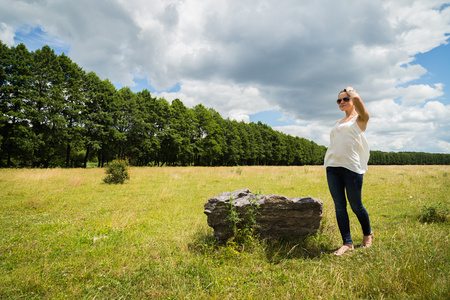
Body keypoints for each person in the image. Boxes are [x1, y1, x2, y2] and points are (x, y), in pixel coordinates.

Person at [324, 86, 374, 256]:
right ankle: (347, 243)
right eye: (339, 100)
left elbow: (361, 105)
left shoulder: (360, 120)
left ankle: (368, 234)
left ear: (352, 100)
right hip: (332, 167)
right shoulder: (337, 123)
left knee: (356, 206)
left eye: (346, 99)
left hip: (351, 168)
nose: (342, 102)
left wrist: (351, 90)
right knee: (339, 207)